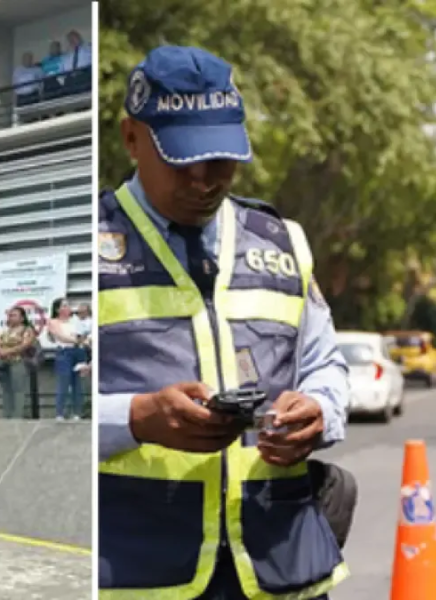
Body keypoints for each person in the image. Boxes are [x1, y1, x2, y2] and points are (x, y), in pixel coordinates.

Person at [96, 45, 352, 599]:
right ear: (131, 138)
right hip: (137, 570)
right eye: (183, 159)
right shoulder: (82, 248)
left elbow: (324, 364)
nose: (205, 180)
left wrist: (320, 412)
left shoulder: (283, 241)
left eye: (221, 160)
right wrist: (135, 417)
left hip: (279, 567)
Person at [47, 298, 83, 421]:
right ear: (58, 309)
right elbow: (60, 337)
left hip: (77, 351)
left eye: (68, 305)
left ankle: (77, 412)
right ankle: (60, 413)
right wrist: (75, 340)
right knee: (64, 381)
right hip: (64, 352)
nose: (68, 308)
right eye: (64, 306)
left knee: (76, 383)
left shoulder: (75, 321)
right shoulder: (53, 322)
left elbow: (81, 334)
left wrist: (79, 340)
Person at [0, 306, 36, 419]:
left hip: (18, 362)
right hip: (3, 363)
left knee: (18, 390)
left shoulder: (27, 330)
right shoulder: (5, 331)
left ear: (22, 318)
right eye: (9, 315)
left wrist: (8, 351)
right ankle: (7, 415)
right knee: (6, 390)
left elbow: (25, 345)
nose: (10, 317)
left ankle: (17, 416)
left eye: (14, 315)